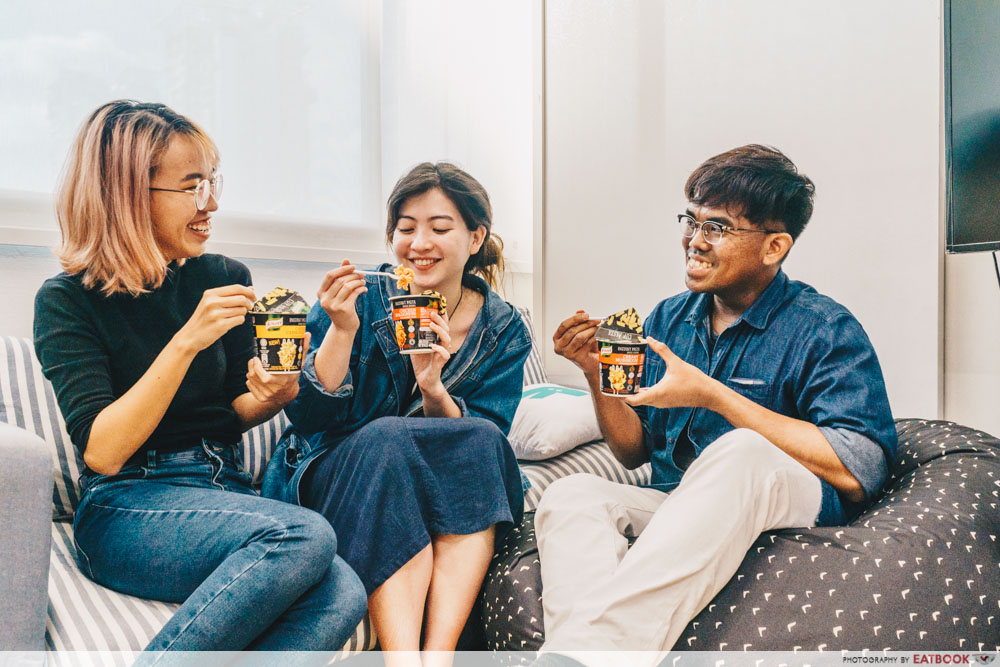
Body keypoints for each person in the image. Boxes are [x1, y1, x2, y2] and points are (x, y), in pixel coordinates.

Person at [536, 145, 897, 659]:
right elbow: (633, 451)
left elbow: (858, 468)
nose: (694, 241)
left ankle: (595, 653)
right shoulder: (668, 318)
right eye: (692, 220)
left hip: (794, 502)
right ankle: (578, 651)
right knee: (572, 494)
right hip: (681, 503)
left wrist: (712, 395)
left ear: (774, 247)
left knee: (740, 451)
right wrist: (595, 374)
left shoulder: (824, 329)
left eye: (718, 228)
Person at [33, 100, 367, 653]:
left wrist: (276, 395)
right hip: (126, 505)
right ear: (127, 196)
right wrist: (186, 340)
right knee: (303, 533)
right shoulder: (67, 300)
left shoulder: (224, 276)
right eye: (192, 186)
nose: (211, 203)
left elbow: (233, 413)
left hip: (221, 487)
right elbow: (103, 452)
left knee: (341, 590)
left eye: (212, 182)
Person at [263, 162, 532, 659]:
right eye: (406, 229)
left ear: (476, 238)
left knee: (483, 441)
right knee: (389, 436)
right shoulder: (361, 300)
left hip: (433, 481)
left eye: (440, 228)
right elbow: (309, 419)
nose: (420, 242)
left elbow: (481, 441)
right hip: (336, 475)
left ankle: (440, 654)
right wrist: (341, 330)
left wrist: (433, 385)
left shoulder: (505, 327)